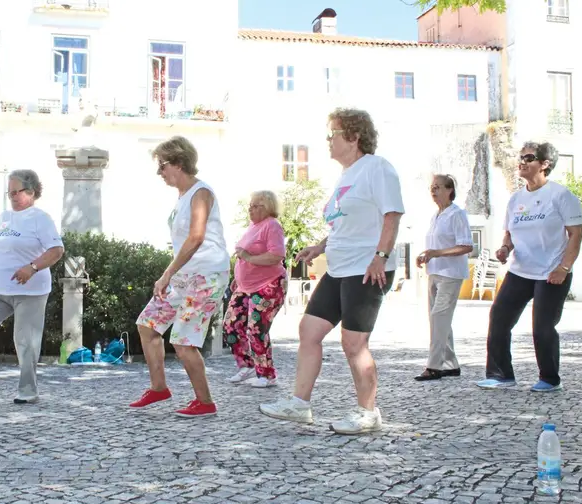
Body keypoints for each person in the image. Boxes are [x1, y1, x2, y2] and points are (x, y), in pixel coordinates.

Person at [259, 108, 404, 434]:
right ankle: (299, 405)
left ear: (353, 137)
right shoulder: (346, 175)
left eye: (333, 134)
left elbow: (391, 216)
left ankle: (368, 413)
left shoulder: (377, 169)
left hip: (366, 269)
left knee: (354, 343)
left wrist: (380, 256)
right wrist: (320, 247)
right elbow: (345, 224)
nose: (328, 141)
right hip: (339, 268)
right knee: (309, 332)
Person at [129, 136, 229, 418]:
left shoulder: (201, 193)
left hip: (206, 275)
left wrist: (167, 273)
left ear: (178, 162)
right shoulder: (182, 197)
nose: (159, 173)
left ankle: (205, 402)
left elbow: (197, 237)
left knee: (183, 342)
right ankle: (159, 388)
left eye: (162, 166)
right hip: (185, 276)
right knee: (147, 325)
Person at [477, 141, 582, 392]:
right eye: (521, 157)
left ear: (545, 164)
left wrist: (564, 268)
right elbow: (509, 234)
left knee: (542, 327)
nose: (521, 162)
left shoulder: (561, 196)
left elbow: (576, 235)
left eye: (529, 157)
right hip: (520, 270)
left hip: (552, 272)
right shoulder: (516, 199)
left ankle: (549, 379)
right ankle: (501, 374)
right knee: (499, 318)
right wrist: (505, 249)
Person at [0, 170, 64, 403]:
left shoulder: (40, 218)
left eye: (17, 192)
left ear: (32, 192)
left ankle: (28, 391)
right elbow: (0, 240)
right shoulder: (5, 216)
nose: (13, 197)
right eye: (10, 192)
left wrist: (32, 267)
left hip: (30, 291)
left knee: (25, 340)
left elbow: (57, 251)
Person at [225, 191, 288, 388]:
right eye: (250, 206)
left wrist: (249, 258)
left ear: (267, 207)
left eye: (255, 206)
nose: (250, 209)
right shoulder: (253, 226)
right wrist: (238, 277)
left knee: (257, 329)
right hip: (245, 286)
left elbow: (276, 255)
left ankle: (267, 375)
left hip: (269, 284)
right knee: (230, 325)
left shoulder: (272, 225)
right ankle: (247, 366)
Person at [414, 174, 473, 381]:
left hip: (450, 274)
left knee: (439, 316)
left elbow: (466, 246)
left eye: (438, 187)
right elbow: (436, 245)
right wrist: (426, 255)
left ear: (449, 190)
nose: (433, 190)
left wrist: (437, 253)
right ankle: (450, 364)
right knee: (438, 319)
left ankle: (434, 366)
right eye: (432, 187)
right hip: (435, 272)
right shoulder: (436, 215)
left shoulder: (457, 214)